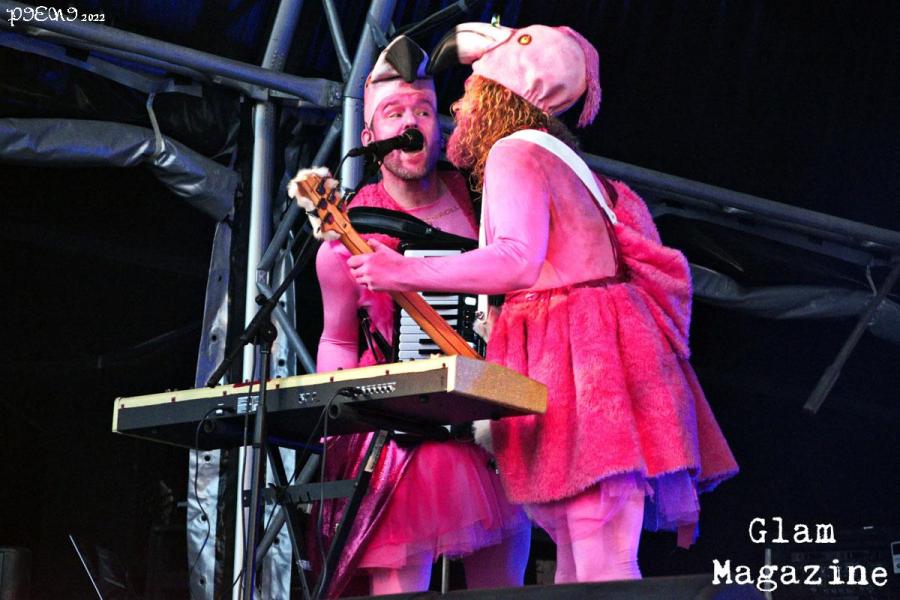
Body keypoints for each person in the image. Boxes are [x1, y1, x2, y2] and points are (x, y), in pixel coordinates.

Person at [344, 23, 739, 584]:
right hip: (597, 352)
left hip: (581, 360)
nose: (460, 107)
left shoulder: (514, 150)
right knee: (582, 562)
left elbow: (516, 259)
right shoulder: (562, 158)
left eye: (470, 91)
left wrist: (402, 270)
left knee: (602, 560)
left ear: (497, 96)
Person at [289, 36, 530, 597]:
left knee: (504, 583)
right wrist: (339, 424)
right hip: (400, 434)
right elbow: (336, 339)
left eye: (422, 110)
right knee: (401, 582)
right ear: (369, 137)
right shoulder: (350, 232)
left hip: (489, 420)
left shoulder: (482, 199)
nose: (410, 123)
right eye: (394, 113)